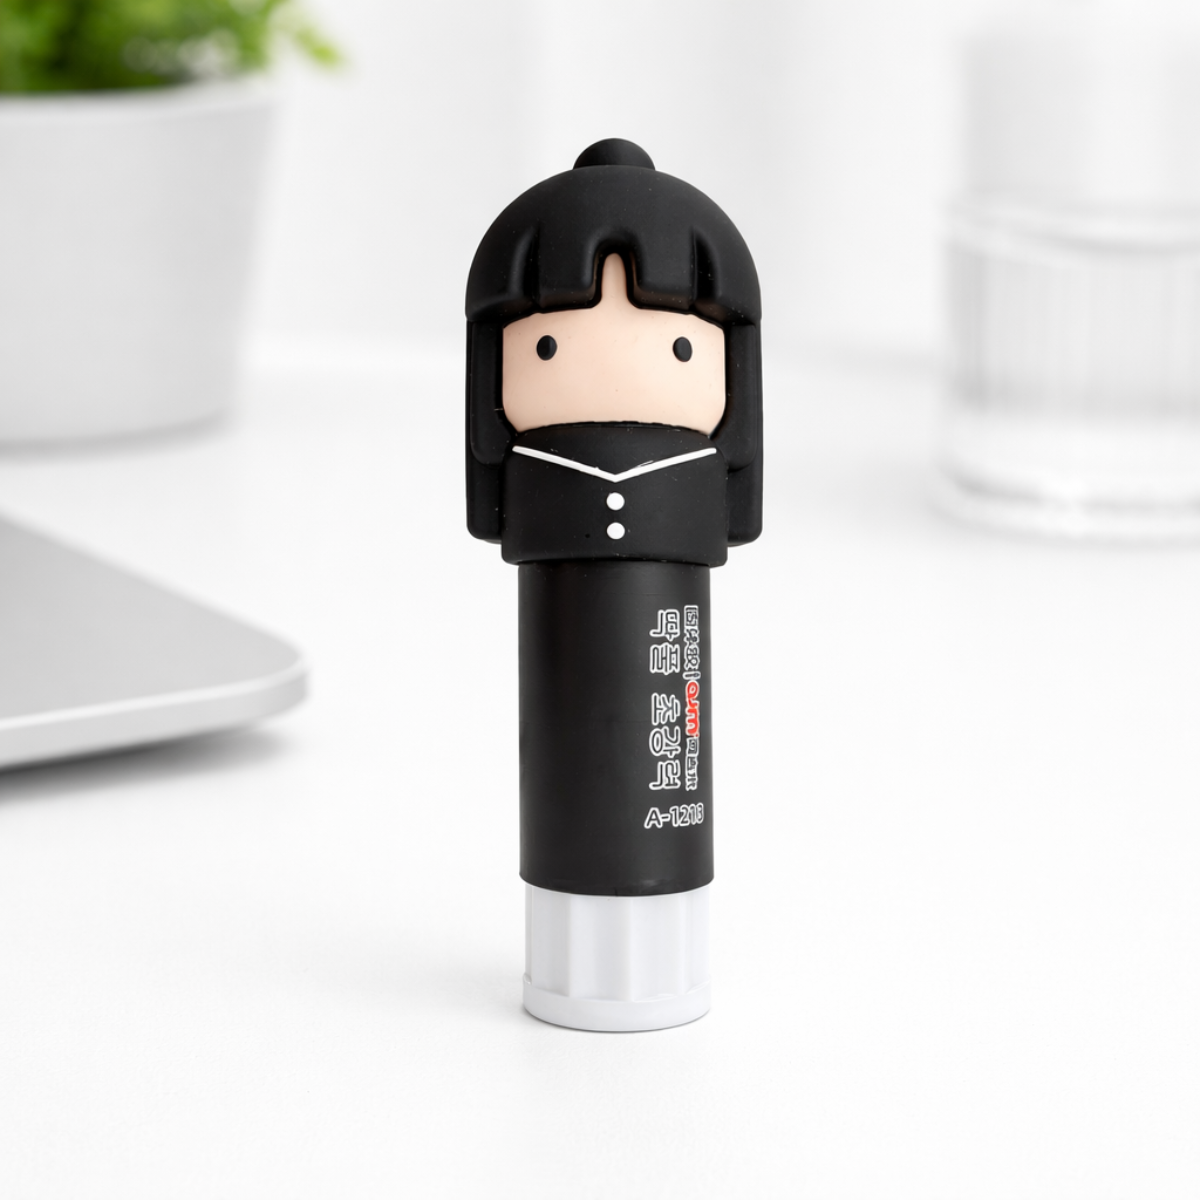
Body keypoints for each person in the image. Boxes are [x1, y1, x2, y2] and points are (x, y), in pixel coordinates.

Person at [465, 137, 762, 1031]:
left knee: (660, 776)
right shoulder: (535, 472)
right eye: (547, 344)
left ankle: (645, 969)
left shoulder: (694, 476)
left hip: (668, 600)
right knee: (578, 776)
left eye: (683, 347)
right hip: (560, 609)